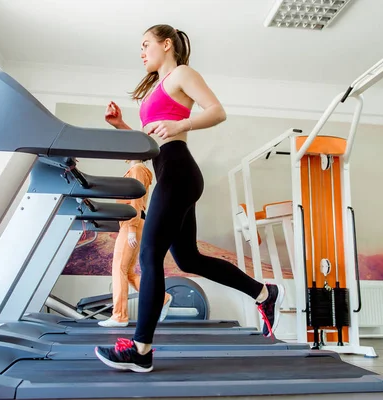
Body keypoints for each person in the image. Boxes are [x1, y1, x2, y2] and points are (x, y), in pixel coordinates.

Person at [95, 24, 285, 373]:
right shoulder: (157, 89)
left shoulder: (182, 73)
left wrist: (183, 125)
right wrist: (121, 126)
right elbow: (151, 139)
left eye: (146, 45)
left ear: (166, 45)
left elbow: (217, 111)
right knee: (189, 258)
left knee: (150, 254)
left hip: (179, 170)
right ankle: (263, 293)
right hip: (171, 171)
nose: (141, 52)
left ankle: (141, 349)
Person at [98, 158, 172, 327]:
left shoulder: (138, 169)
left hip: (133, 223)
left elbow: (136, 201)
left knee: (119, 268)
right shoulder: (136, 170)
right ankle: (162, 298)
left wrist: (131, 227)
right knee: (129, 272)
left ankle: (119, 316)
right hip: (132, 223)